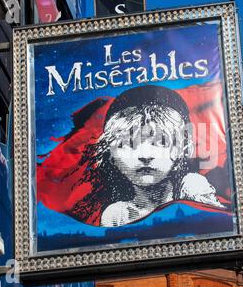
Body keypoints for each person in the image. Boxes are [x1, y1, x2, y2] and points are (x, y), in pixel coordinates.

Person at [74, 85, 225, 227]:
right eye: (129, 143)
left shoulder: (194, 188)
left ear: (181, 148)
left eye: (161, 141)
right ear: (111, 154)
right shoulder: (117, 215)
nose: (145, 155)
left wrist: (201, 198)